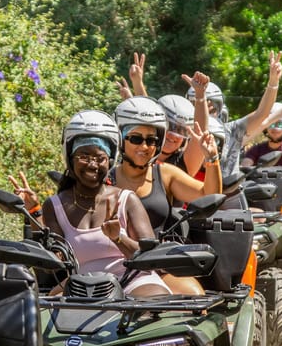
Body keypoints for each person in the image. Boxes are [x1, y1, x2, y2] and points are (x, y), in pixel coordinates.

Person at [11, 111, 171, 297]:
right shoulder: (54, 205)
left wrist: (118, 237)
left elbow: (151, 259)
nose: (92, 165)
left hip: (133, 280)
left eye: (100, 158)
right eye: (84, 156)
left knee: (153, 311)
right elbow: (54, 263)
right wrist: (34, 212)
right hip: (84, 286)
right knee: (39, 316)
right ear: (70, 158)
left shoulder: (126, 200)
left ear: (110, 160)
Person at [111, 97, 222, 295]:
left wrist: (212, 158)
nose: (144, 147)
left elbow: (209, 195)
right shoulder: (104, 178)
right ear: (119, 138)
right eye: (136, 138)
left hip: (156, 264)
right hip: (108, 263)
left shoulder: (165, 173)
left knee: (195, 297)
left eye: (151, 140)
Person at [185, 52, 282, 177]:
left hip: (230, 194)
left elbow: (262, 113)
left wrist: (273, 82)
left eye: (210, 109)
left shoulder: (232, 130)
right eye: (197, 107)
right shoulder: (181, 138)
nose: (205, 115)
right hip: (194, 194)